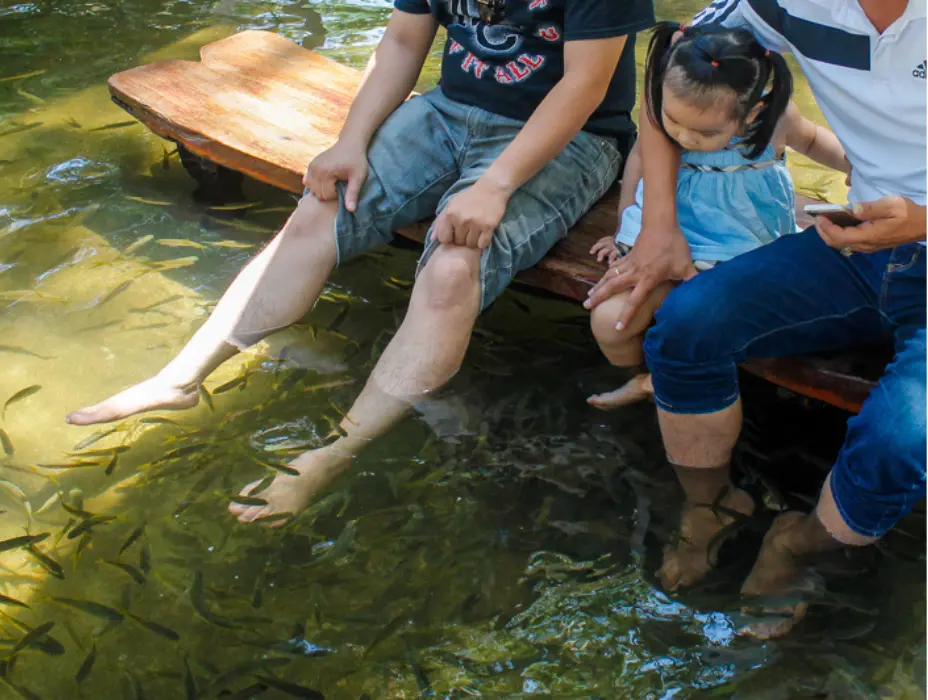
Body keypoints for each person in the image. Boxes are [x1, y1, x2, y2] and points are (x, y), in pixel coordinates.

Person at [67, 0, 655, 524]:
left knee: (454, 268)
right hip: (447, 110)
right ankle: (180, 378)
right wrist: (349, 140)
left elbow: (583, 86)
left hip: (574, 138)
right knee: (319, 207)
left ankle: (330, 454)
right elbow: (402, 42)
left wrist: (496, 186)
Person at [585, 0, 926, 639]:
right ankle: (711, 505)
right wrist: (658, 227)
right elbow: (671, 63)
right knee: (688, 323)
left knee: (904, 440)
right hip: (853, 244)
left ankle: (800, 544)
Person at [586, 22, 850, 410]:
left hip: (741, 249)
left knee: (714, 325)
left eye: (703, 132)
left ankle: (664, 381)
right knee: (610, 323)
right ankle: (642, 379)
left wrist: (861, 168)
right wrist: (625, 224)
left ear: (753, 111)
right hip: (664, 246)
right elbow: (641, 158)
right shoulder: (669, 113)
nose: (684, 138)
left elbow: (812, 139)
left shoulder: (774, 120)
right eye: (672, 121)